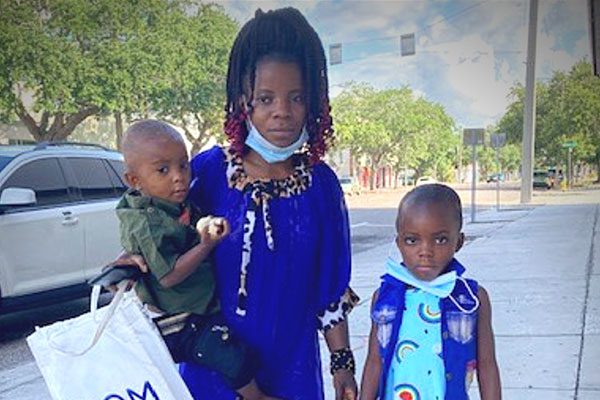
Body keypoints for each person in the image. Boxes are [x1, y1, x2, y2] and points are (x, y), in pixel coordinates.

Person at [115, 8, 359, 400]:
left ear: (313, 102)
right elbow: (158, 224)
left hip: (293, 372)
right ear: (243, 101)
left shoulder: (322, 186)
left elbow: (329, 288)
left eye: (296, 97)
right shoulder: (207, 173)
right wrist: (135, 257)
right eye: (265, 98)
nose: (282, 110)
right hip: (213, 371)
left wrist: (342, 364)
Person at [117, 119, 280, 400]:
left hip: (195, 307)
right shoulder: (147, 222)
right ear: (134, 180)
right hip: (178, 319)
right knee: (228, 354)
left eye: (183, 165)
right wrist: (205, 245)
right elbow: (168, 276)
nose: (178, 176)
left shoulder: (172, 204)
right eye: (163, 170)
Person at [360, 184, 501, 400]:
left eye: (440, 239)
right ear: (399, 243)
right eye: (412, 240)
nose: (425, 251)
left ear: (459, 242)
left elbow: (487, 365)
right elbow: (374, 361)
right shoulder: (384, 298)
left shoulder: (472, 299)